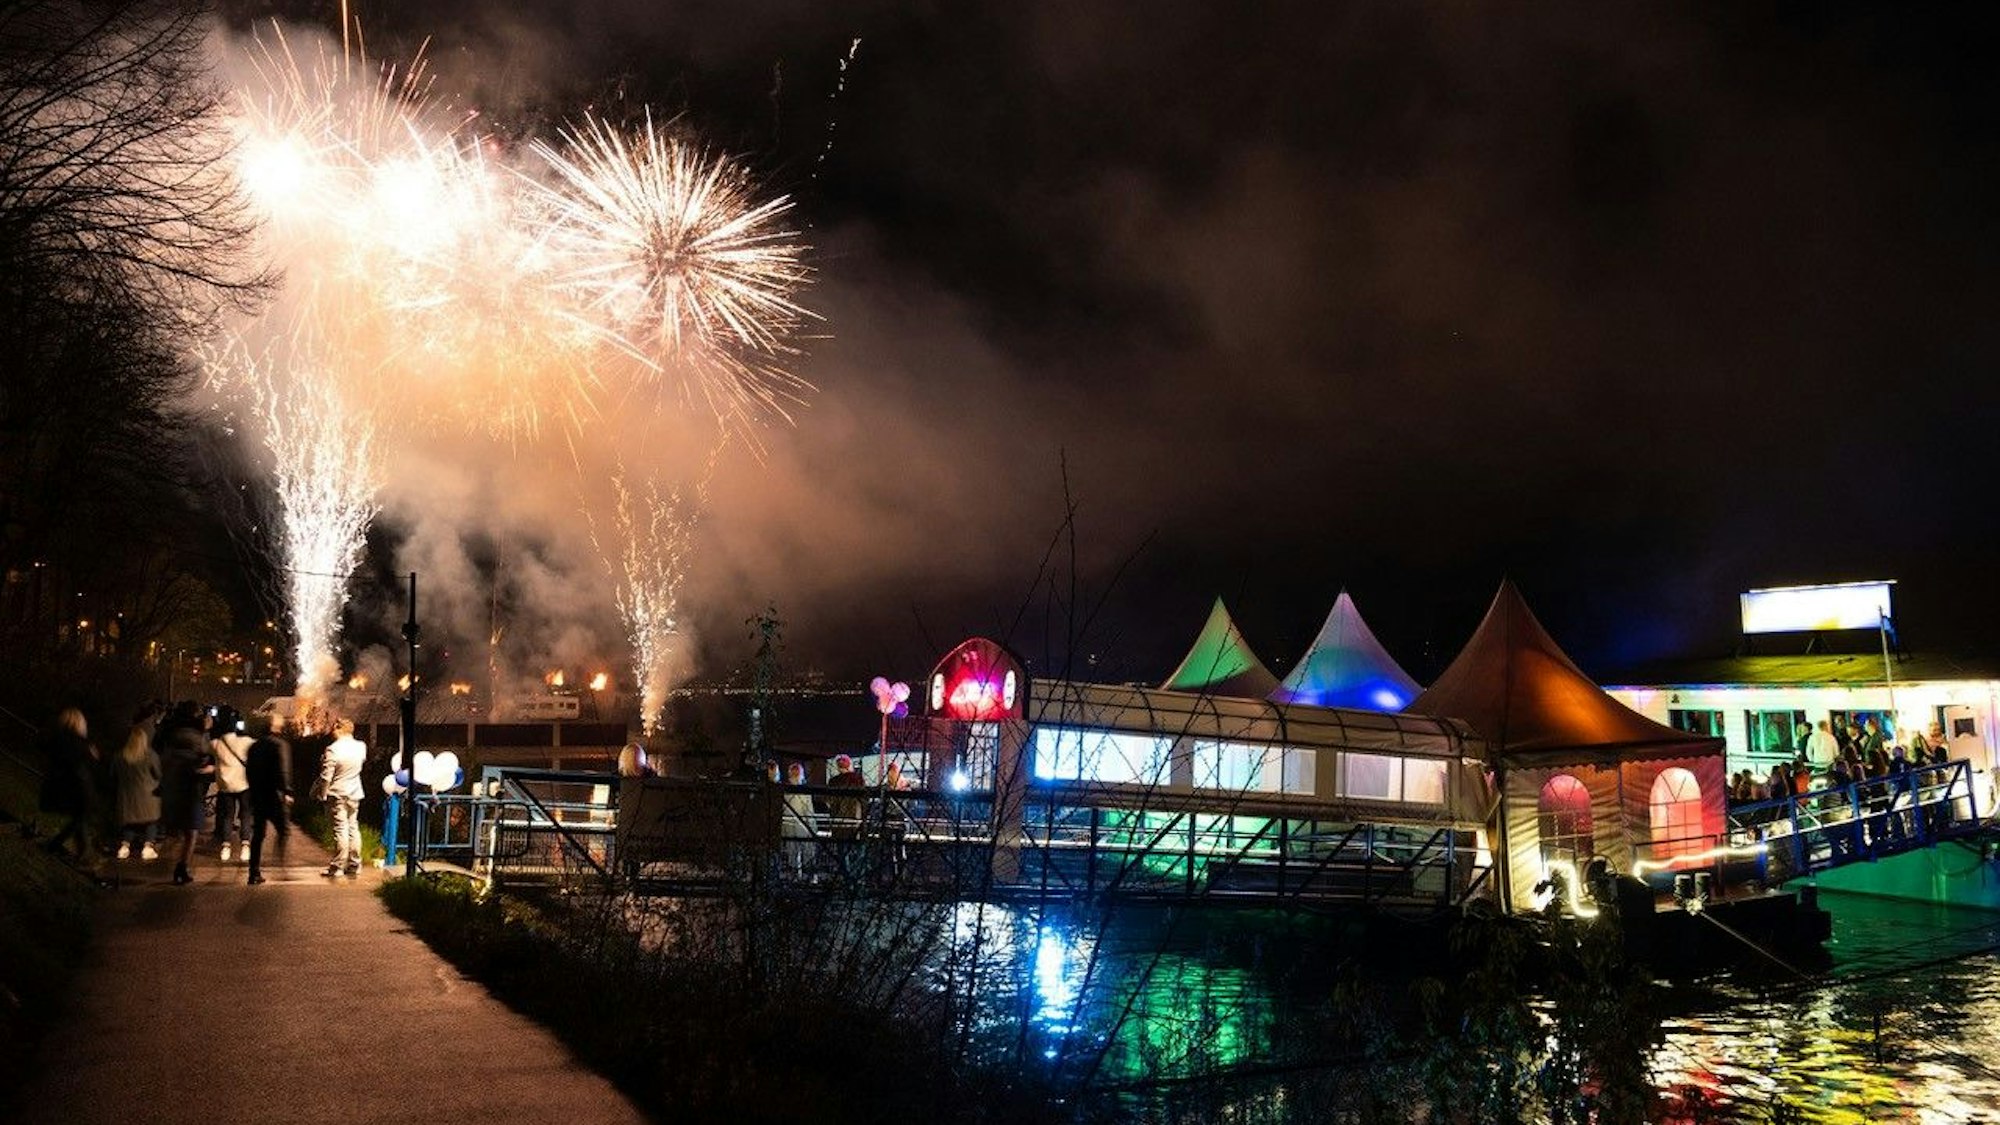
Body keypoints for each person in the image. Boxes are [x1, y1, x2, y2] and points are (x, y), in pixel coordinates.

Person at [157, 702, 215, 885]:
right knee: (191, 832)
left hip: (171, 787)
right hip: (190, 790)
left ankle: (178, 865)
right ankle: (181, 867)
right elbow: (202, 761)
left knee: (177, 831)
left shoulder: (171, 734)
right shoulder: (197, 737)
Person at [36, 708, 97, 864]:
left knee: (79, 818)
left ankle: (83, 853)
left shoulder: (56, 739)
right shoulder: (81, 742)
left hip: (61, 786)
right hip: (79, 786)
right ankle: (55, 845)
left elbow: (44, 747)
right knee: (80, 818)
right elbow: (90, 759)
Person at [245, 712, 294, 885]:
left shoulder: (254, 746)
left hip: (258, 795)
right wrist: (287, 791)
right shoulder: (280, 745)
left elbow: (249, 771)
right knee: (283, 830)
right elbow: (283, 771)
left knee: (258, 834)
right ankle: (280, 866)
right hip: (274, 796)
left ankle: (254, 871)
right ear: (275, 726)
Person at [317, 718, 367, 877]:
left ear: (339, 729)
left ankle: (337, 866)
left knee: (340, 829)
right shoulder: (361, 747)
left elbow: (326, 776)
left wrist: (322, 793)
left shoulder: (332, 749)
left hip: (337, 793)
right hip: (355, 792)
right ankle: (355, 863)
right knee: (353, 827)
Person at [113, 705, 163, 861]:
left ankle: (124, 846)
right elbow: (158, 773)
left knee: (130, 823)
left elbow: (113, 774)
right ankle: (148, 846)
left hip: (127, 794)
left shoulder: (120, 756)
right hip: (148, 794)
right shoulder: (150, 755)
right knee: (151, 822)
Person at [210, 707, 253, 863]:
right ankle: (245, 847)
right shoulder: (246, 742)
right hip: (244, 785)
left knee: (228, 816)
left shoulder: (215, 744)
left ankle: (225, 847)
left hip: (226, 786)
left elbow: (206, 745)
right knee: (246, 815)